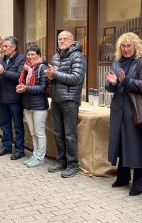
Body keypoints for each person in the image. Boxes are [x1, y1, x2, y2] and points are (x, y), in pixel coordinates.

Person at [105, 32, 142, 196]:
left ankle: (139, 183)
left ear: (136, 46)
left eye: (129, 46)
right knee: (121, 143)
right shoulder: (117, 62)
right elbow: (111, 86)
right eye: (123, 46)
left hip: (135, 110)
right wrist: (112, 84)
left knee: (136, 145)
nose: (126, 49)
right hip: (119, 109)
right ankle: (123, 177)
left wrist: (126, 81)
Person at [45, 30, 86, 178]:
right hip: (56, 99)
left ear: (72, 41)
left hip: (70, 100)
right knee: (57, 132)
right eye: (60, 39)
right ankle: (61, 160)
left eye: (65, 39)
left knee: (70, 135)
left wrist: (55, 74)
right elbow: (53, 79)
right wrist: (49, 76)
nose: (61, 41)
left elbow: (76, 78)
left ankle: (73, 164)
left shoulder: (78, 56)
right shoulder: (56, 56)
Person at [0, 36, 26, 160]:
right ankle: (6, 147)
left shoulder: (22, 59)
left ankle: (19, 150)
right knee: (4, 124)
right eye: (4, 46)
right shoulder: (3, 58)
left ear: (14, 47)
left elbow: (19, 77)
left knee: (17, 125)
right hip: (2, 96)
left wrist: (3, 71)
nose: (3, 48)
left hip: (15, 98)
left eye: (6, 46)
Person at [16, 44, 48, 167]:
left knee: (39, 132)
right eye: (28, 54)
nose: (30, 57)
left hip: (39, 105)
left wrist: (26, 88)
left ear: (38, 55)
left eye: (33, 54)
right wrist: (21, 87)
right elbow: (24, 83)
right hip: (27, 104)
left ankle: (40, 158)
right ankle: (35, 154)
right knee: (33, 132)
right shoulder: (26, 68)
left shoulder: (42, 67)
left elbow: (42, 87)